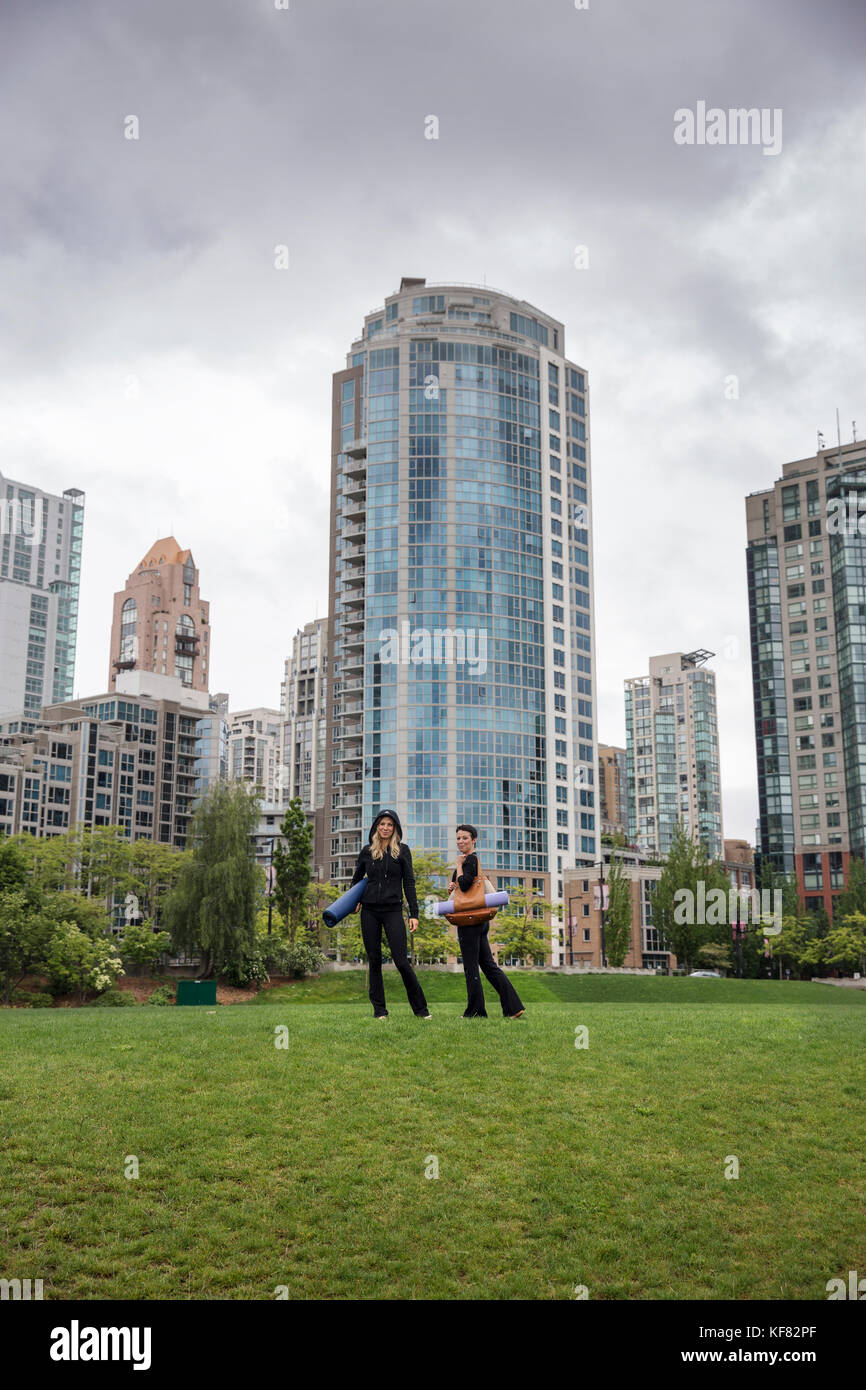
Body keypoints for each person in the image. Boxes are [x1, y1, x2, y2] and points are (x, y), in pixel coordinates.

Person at [350, 810, 431, 1021]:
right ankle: (380, 1011)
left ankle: (421, 1010)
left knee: (401, 961)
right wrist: (354, 901)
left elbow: (409, 883)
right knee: (374, 960)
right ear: (377, 826)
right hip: (369, 911)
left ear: (395, 828)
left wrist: (414, 913)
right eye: (382, 824)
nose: (385, 828)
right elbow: (357, 879)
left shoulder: (402, 851)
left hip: (393, 910)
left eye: (389, 824)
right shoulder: (367, 851)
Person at [451, 824, 525, 1019]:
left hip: (469, 920)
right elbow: (461, 885)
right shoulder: (471, 861)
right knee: (488, 965)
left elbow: (466, 884)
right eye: (458, 838)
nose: (461, 841)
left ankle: (475, 1011)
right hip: (479, 920)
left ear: (474, 840)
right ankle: (513, 1007)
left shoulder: (469, 860)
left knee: (471, 966)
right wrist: (453, 883)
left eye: (465, 838)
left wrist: (458, 866)